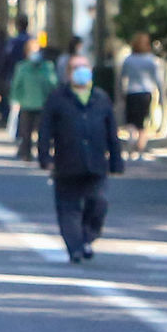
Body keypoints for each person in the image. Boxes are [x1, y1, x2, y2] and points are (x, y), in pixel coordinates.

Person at [38, 55, 124, 263]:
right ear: (68, 73)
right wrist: (44, 156)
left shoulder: (101, 98)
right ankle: (75, 246)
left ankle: (87, 237)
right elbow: (45, 129)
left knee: (99, 203)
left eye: (84, 67)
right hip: (67, 163)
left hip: (95, 163)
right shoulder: (57, 97)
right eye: (76, 68)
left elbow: (111, 130)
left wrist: (116, 159)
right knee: (68, 208)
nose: (81, 71)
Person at [9, 39, 59, 161]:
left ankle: (43, 154)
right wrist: (15, 100)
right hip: (26, 104)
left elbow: (53, 84)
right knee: (26, 132)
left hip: (43, 104)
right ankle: (26, 153)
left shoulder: (47, 67)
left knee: (44, 132)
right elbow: (17, 85)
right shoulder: (22, 67)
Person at [119, 32, 163, 160]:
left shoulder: (128, 60)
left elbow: (122, 77)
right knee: (143, 122)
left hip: (131, 92)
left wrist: (121, 92)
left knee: (131, 120)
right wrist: (161, 94)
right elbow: (158, 79)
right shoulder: (151, 60)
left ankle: (132, 140)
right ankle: (140, 147)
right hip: (146, 92)